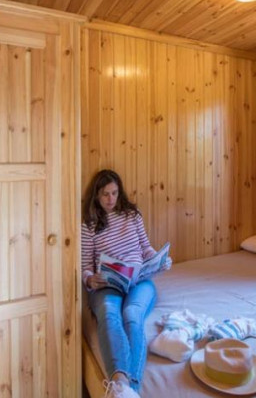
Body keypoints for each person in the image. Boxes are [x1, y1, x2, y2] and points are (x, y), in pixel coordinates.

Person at [81, 169, 170, 398]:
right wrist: (90, 278)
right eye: (105, 194)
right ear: (96, 195)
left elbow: (145, 248)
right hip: (107, 283)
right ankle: (121, 382)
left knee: (132, 315)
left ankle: (127, 390)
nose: (111, 199)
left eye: (114, 193)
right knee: (109, 313)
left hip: (138, 280)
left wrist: (158, 260)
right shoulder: (89, 224)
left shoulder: (132, 215)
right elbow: (85, 265)